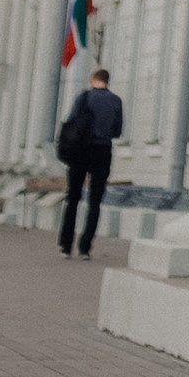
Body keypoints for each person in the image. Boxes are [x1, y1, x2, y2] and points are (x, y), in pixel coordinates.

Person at [57, 66, 123, 258]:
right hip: (103, 152)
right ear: (107, 81)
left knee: (73, 198)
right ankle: (85, 248)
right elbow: (117, 131)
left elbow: (72, 122)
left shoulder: (84, 98)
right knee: (95, 201)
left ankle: (66, 246)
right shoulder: (116, 101)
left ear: (93, 80)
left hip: (81, 151)